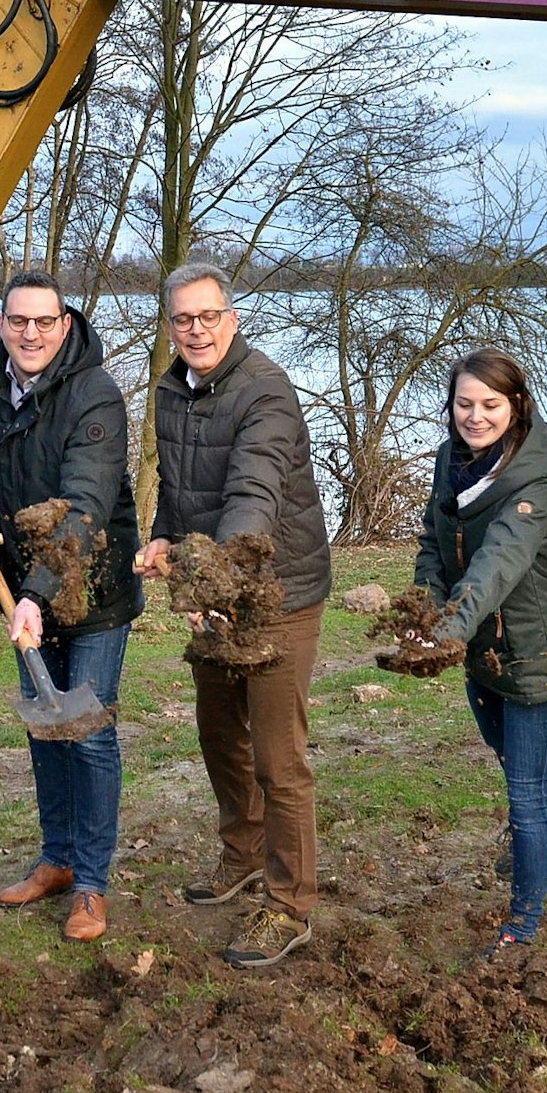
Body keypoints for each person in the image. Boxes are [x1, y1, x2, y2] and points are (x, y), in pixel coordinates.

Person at [136, 262, 332, 969]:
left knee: (279, 758)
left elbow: (253, 493)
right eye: (183, 319)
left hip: (278, 591)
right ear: (170, 327)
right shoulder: (171, 390)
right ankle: (243, 855)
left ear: (233, 318)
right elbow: (182, 488)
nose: (196, 330)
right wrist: (164, 536)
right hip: (213, 589)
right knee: (220, 734)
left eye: (208, 316)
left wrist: (215, 578)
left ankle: (289, 903)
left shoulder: (265, 392)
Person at [0, 271, 143, 943]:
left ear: (65, 324)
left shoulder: (95, 394)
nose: (30, 334)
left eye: (43, 322)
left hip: (92, 586)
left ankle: (91, 883)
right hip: (23, 585)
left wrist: (35, 593)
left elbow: (86, 506)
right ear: (1, 322)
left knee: (86, 731)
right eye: (17, 321)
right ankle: (57, 859)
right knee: (45, 723)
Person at [412, 348, 547, 961]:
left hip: (536, 657)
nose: (475, 417)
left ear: (517, 406)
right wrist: (425, 611)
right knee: (519, 777)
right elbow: (434, 543)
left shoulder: (533, 484)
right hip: (482, 656)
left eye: (490, 404)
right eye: (464, 404)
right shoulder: (451, 461)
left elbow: (497, 564)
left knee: (524, 800)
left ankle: (522, 926)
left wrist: (450, 628)